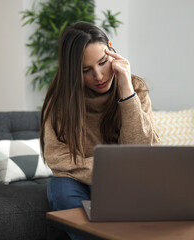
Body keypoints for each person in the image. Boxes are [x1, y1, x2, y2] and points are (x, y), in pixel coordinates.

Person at [40, 21, 159, 240]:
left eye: (103, 63)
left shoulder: (135, 87)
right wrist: (110, 171)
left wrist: (126, 91)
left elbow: (143, 151)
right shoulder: (59, 100)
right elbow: (56, 157)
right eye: (86, 70)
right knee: (59, 188)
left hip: (128, 181)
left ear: (111, 49)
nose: (99, 76)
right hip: (85, 179)